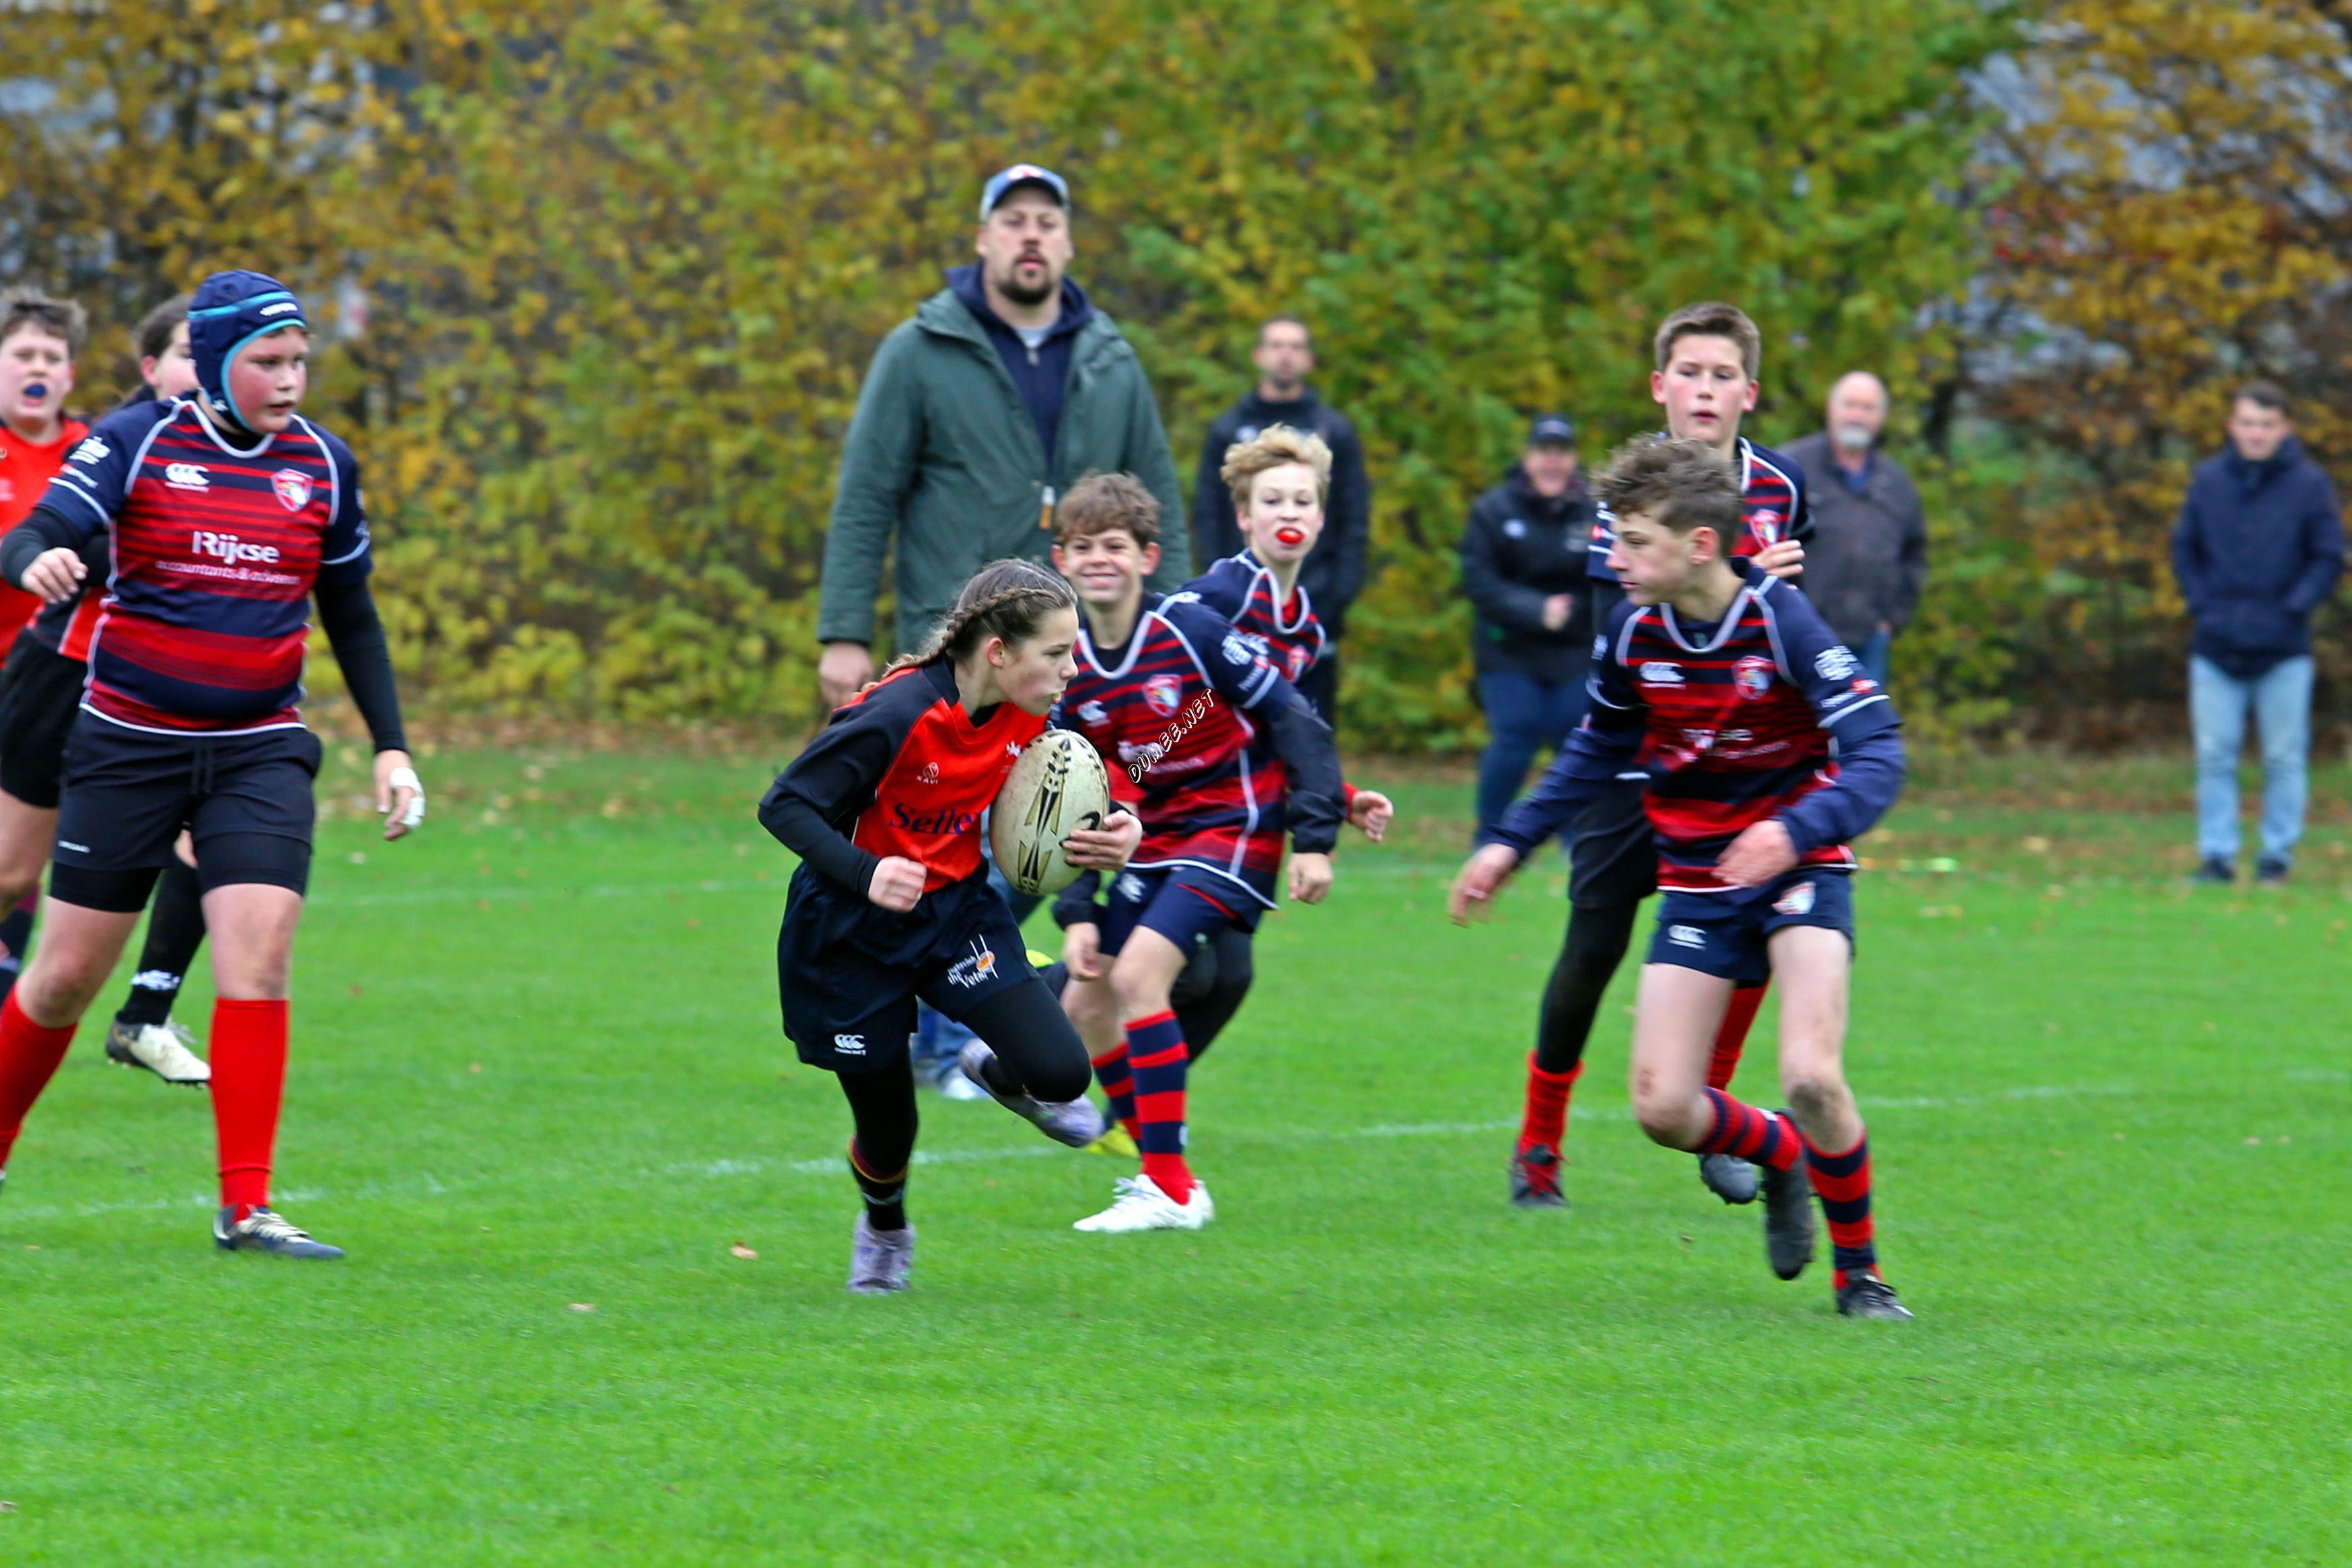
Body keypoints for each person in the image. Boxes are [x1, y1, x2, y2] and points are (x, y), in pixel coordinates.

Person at [0, 269, 426, 1258]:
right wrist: (34, 561)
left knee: (260, 949)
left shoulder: (324, 465)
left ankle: (248, 1206)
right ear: (218, 364)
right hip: (126, 743)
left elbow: (352, 617)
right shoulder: (135, 439)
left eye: (299, 361)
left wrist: (392, 746)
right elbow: (41, 529)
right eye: (268, 362)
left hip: (260, 747)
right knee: (61, 977)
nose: (290, 380)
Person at [1452, 437, 1911, 1320]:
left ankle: (1860, 1276)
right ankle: (1782, 1155)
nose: (1612, 560)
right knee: (1663, 1107)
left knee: (1811, 1074)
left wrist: (1791, 829)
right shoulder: (1635, 630)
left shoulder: (1780, 621)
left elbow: (1877, 751)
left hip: (1797, 866)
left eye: (1632, 542)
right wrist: (1510, 841)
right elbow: (1596, 748)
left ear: (1699, 544)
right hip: (1699, 877)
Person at [816, 162, 1190, 1094]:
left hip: (1074, 653)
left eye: (1046, 222)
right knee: (940, 842)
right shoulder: (920, 348)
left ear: (1066, 243)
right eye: (1012, 220)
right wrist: (840, 630)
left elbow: (1162, 505)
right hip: (952, 651)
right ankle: (927, 1029)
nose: (1031, 236)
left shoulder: (1108, 355)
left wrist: (1173, 624)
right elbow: (867, 494)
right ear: (982, 238)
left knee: (1039, 843)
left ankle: (955, 1024)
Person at [758, 560, 1142, 1293]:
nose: (1071, 667)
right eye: (1057, 652)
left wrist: (1122, 829)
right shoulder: (895, 714)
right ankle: (884, 1225)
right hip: (849, 929)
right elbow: (785, 806)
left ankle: (996, 1069)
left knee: (1061, 1072)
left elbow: (1088, 787)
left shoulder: (1031, 711)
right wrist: (866, 870)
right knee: (888, 1127)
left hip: (951, 913)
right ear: (999, 651)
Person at [1502, 301, 1810, 1211]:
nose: (1704, 390)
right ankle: (1537, 1145)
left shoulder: (1783, 487)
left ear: (1746, 392)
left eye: (1722, 375)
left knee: (1749, 946)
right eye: (1689, 373)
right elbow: (1625, 632)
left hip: (1738, 769)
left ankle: (1712, 1115)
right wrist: (1748, 583)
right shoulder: (1629, 496)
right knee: (1590, 948)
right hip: (1638, 762)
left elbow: (1787, 629)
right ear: (1659, 386)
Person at [1048, 470, 1344, 1232]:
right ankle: (1162, 1168)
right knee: (1086, 999)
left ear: (1149, 556)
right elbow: (1085, 793)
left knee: (1143, 975)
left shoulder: (1190, 628)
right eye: (1084, 547)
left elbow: (1293, 716)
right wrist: (1077, 908)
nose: (1101, 559)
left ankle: (1169, 1186)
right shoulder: (1069, 665)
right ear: (1062, 561)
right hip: (1156, 835)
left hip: (1235, 826)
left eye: (1116, 545)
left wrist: (1316, 836)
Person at [0, 295, 212, 1085]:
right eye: (189, 350)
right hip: (56, 671)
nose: (205, 366)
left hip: (155, 690)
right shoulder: (121, 442)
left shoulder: (251, 454)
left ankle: (144, 1016)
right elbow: (66, 535)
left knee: (204, 838)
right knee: (13, 875)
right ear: (150, 369)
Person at [2171, 381, 2345, 886]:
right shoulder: (2207, 482)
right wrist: (2202, 606)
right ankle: (2216, 855)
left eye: (2266, 425)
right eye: (2247, 423)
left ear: (2283, 429)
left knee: (2283, 756)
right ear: (2232, 427)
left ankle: (2275, 857)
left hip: (2283, 648)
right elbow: (2185, 548)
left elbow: (2327, 555)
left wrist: (2294, 608)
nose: (2256, 434)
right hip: (2215, 644)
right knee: (2214, 754)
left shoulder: (2309, 487)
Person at [1190, 316, 1369, 727]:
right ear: (1259, 355)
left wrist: (1337, 597)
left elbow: (1354, 519)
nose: (1285, 355)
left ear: (1308, 359)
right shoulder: (1229, 428)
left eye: (1295, 346)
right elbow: (1208, 514)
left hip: (1318, 600)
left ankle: (1316, 793)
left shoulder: (1334, 431)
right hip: (1238, 610)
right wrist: (1225, 589)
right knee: (1228, 720)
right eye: (1276, 345)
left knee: (1310, 723)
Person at [0, 289, 91, 1000]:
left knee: (19, 867)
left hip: (52, 687)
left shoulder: (96, 453)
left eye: (51, 357)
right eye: (23, 353)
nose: (38, 368)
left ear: (70, 373)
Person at [1460, 413, 1598, 842]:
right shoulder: (1494, 510)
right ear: (1528, 457)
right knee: (1515, 736)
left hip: (1574, 648)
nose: (1552, 463)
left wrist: (1569, 612)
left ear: (1573, 459)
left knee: (1575, 738)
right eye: (1544, 452)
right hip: (1509, 648)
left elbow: (1609, 580)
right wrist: (1535, 609)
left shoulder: (1594, 512)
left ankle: (1575, 842)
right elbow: (1479, 581)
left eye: (1561, 453)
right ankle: (1490, 836)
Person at [1782, 372, 1927, 688]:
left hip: (1869, 639)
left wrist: (1893, 617)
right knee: (1797, 731)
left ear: (1881, 417)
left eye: (1868, 408)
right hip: (1799, 634)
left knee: (1859, 733)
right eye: (1850, 405)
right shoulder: (1792, 467)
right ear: (1831, 409)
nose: (1857, 415)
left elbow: (1914, 552)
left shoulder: (1897, 483)